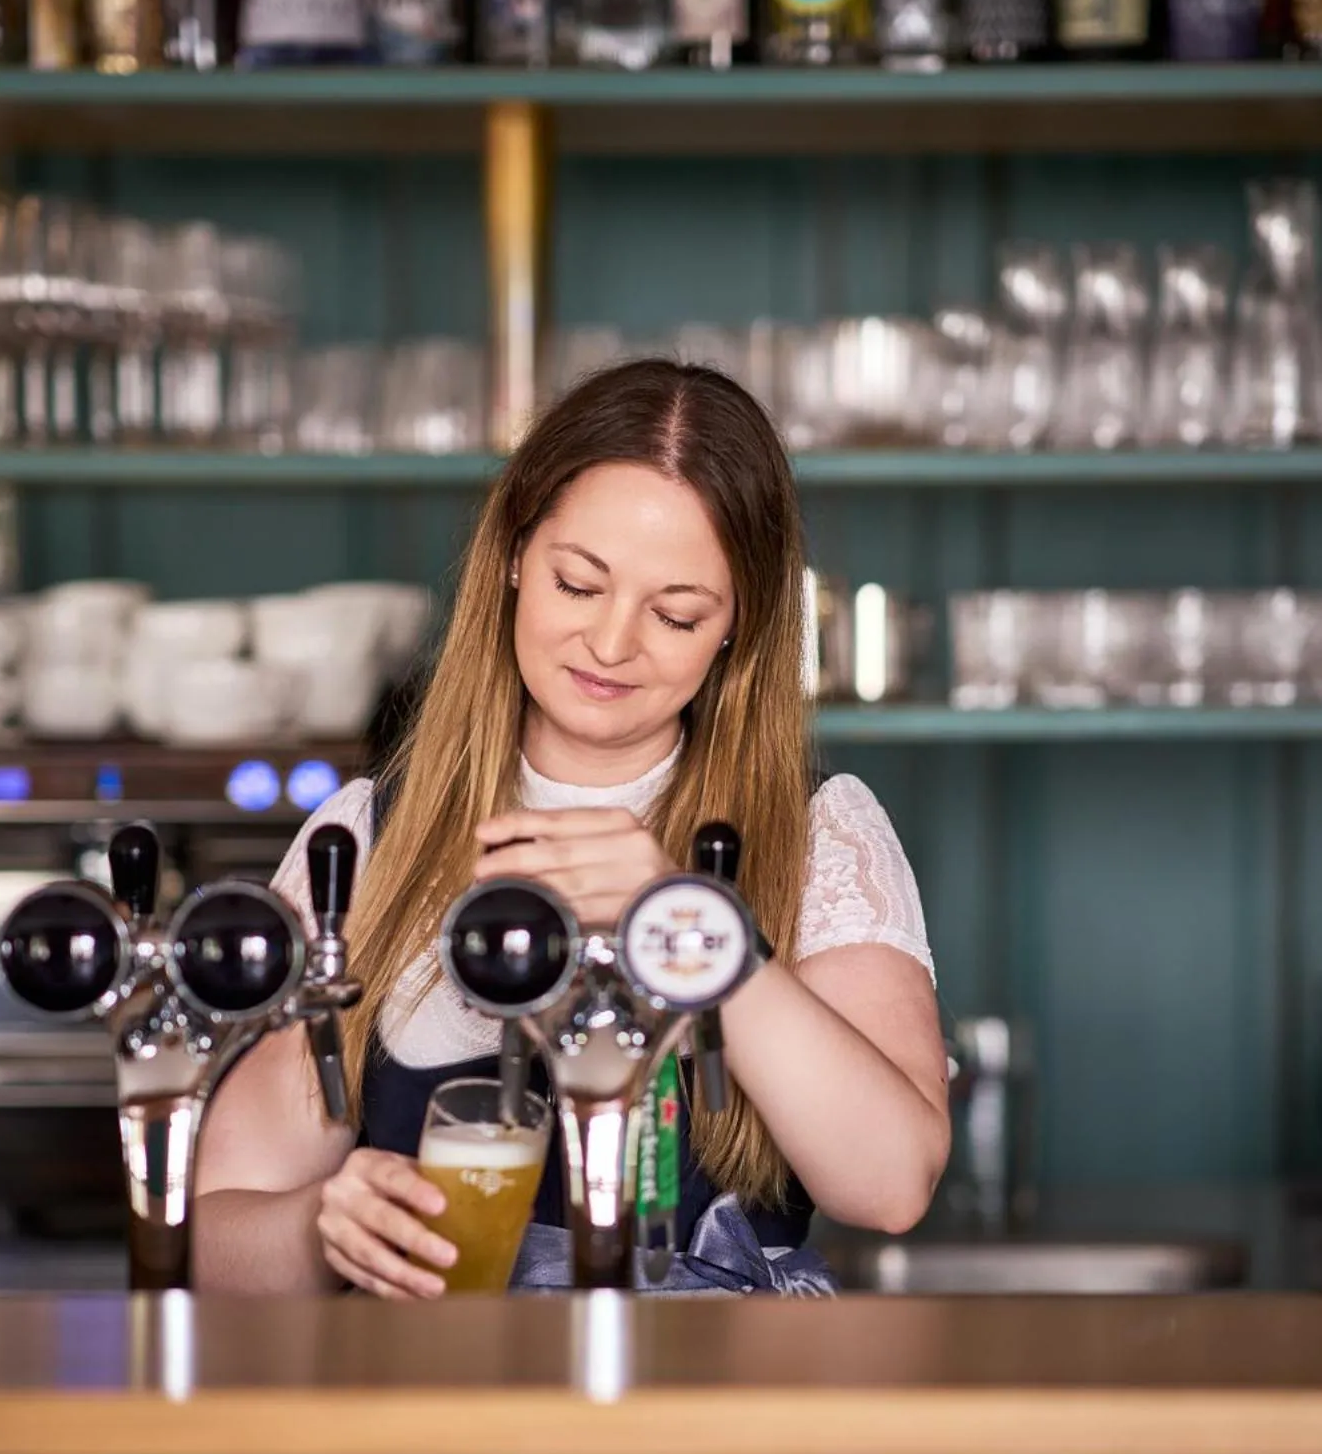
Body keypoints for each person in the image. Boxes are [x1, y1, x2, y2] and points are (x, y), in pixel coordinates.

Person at [194, 359, 950, 1296]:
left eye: (674, 614)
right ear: (514, 555)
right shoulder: (366, 845)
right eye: (579, 585)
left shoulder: (815, 833)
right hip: (439, 1417)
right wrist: (319, 1225)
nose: (611, 643)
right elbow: (217, 1238)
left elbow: (890, 1183)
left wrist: (684, 924)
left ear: (737, 627)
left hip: (713, 1416)